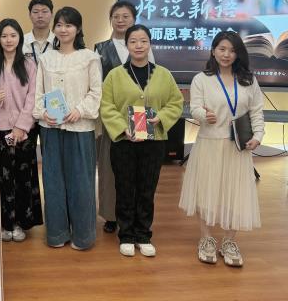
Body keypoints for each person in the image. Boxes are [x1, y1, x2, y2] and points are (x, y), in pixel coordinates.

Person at [179, 31, 264, 267]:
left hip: (238, 147)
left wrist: (258, 136)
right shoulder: (201, 79)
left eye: (232, 50)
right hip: (209, 143)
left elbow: (257, 111)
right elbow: (195, 107)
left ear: (238, 54)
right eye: (222, 49)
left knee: (236, 193)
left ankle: (229, 241)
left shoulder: (248, 80)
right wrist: (203, 115)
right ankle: (206, 238)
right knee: (206, 192)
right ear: (213, 51)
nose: (227, 54)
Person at [100, 25, 183, 258]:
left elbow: (175, 102)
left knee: (147, 189)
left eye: (143, 41)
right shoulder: (114, 75)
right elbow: (106, 106)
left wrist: (161, 117)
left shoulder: (164, 74)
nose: (138, 46)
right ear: (126, 45)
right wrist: (122, 127)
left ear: (150, 44)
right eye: (133, 41)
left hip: (153, 141)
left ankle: (143, 234)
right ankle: (126, 235)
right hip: (124, 142)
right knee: (125, 188)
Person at [33, 7, 101, 250]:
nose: (63, 29)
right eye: (59, 25)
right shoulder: (46, 58)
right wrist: (43, 113)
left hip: (80, 128)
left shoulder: (90, 57)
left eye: (69, 25)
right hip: (51, 129)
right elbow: (38, 93)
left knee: (81, 183)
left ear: (78, 29)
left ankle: (83, 236)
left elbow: (96, 92)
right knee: (53, 182)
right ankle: (57, 234)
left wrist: (79, 110)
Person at [94, 1, 154, 234]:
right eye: (116, 16)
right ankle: (111, 215)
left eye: (125, 16)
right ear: (110, 20)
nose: (120, 20)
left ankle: (135, 217)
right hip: (112, 115)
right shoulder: (100, 48)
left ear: (134, 19)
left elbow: (151, 82)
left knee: (138, 169)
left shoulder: (144, 46)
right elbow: (96, 83)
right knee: (109, 168)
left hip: (139, 114)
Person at [0, 19, 42, 242]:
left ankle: (18, 223)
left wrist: (20, 126)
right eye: (4, 36)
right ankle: (2, 223)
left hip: (23, 132)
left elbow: (33, 97)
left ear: (20, 38)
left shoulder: (29, 64)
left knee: (21, 178)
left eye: (13, 35)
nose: (8, 40)